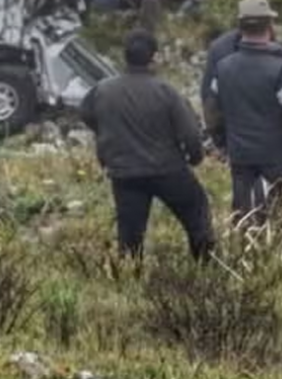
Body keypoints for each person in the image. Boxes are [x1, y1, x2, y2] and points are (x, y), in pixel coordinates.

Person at [79, 28, 216, 261]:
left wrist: (108, 137)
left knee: (130, 235)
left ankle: (131, 275)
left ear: (125, 56)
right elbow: (191, 134)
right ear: (154, 57)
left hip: (125, 173)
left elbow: (87, 115)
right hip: (168, 170)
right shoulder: (166, 92)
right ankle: (206, 265)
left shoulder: (102, 90)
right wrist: (195, 158)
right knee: (197, 215)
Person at [204, 0, 282, 226]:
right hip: (279, 155)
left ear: (240, 26)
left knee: (243, 213)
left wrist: (221, 144)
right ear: (270, 25)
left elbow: (211, 111)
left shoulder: (223, 67)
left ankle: (243, 244)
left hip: (240, 155)